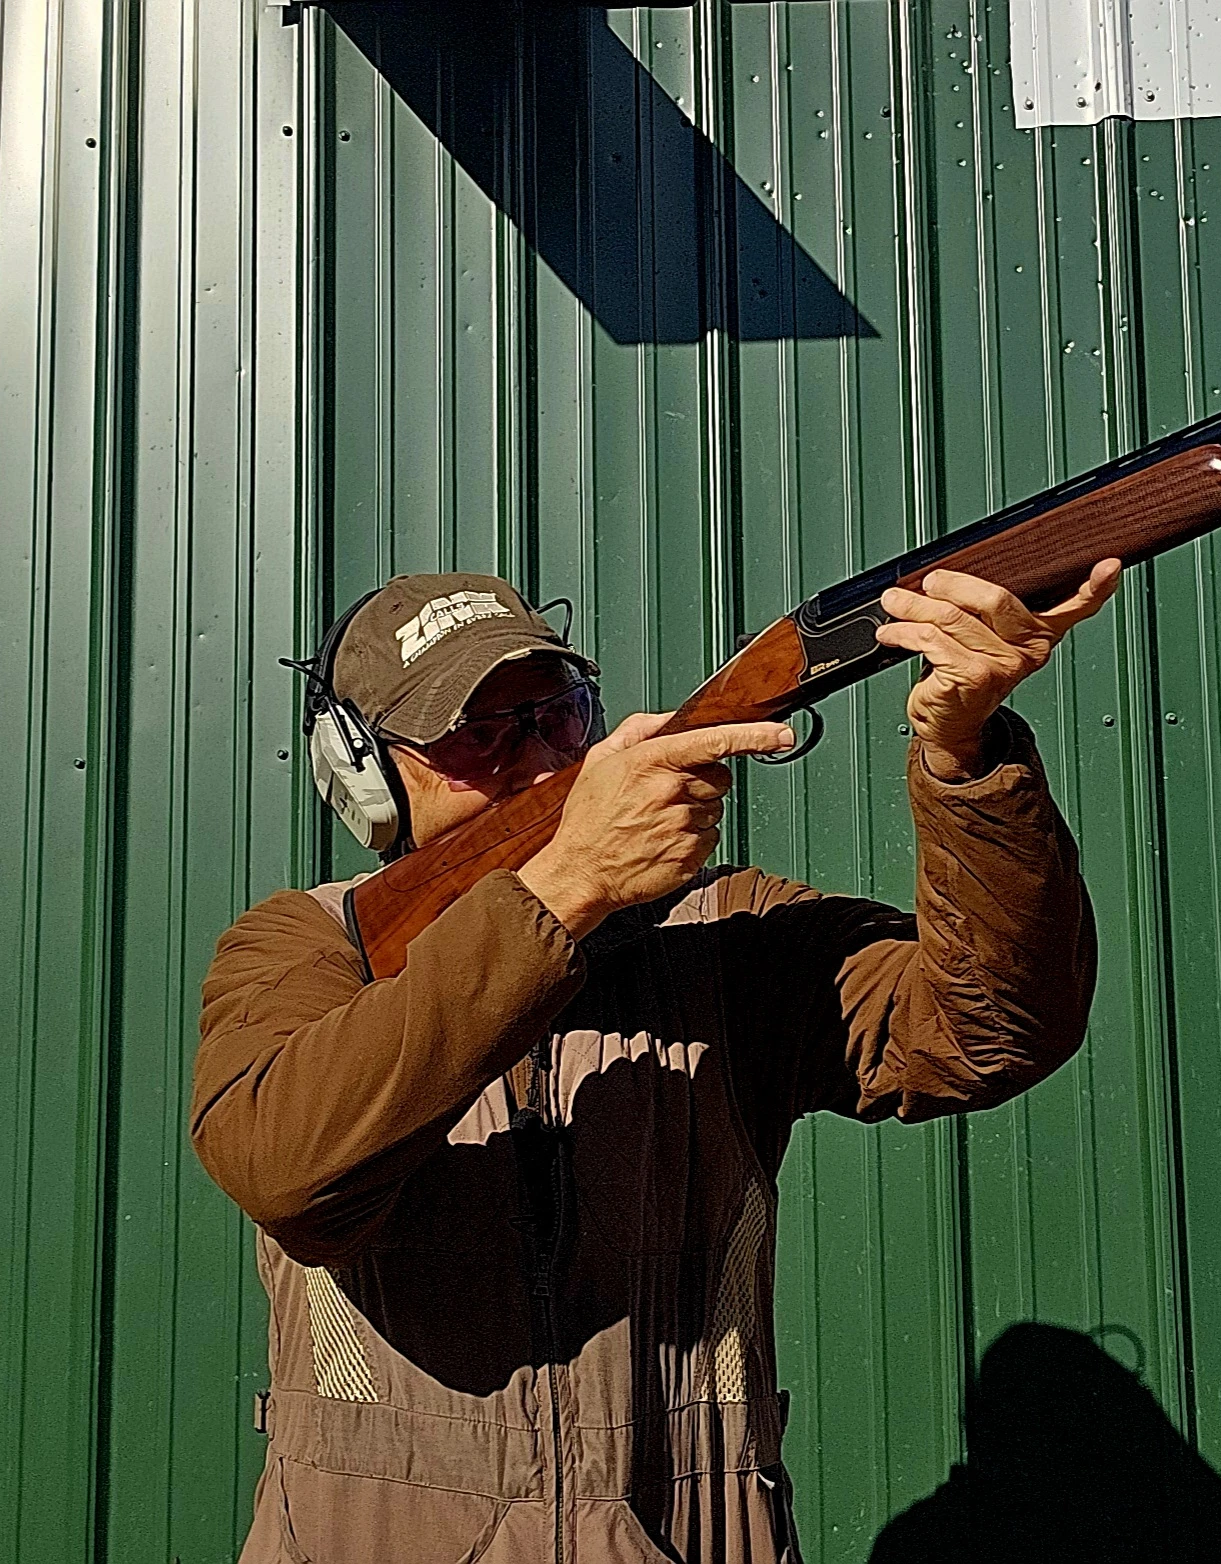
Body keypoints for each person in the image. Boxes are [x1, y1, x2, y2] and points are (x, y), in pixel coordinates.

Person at [191, 563, 1120, 1564]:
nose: (540, 762)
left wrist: (965, 760)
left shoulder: (728, 931)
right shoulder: (304, 947)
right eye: (478, 734)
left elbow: (990, 1028)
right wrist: (561, 894)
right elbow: (286, 1167)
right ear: (364, 772)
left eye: (557, 715)